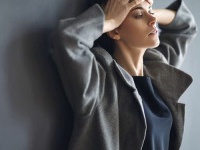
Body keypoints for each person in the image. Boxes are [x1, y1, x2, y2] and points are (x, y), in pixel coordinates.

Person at [50, 0, 197, 149]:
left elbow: (186, 27)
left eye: (151, 12)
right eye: (139, 15)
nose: (154, 21)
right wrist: (111, 19)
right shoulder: (99, 82)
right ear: (114, 31)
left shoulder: (158, 71)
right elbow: (68, 38)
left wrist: (144, 8)